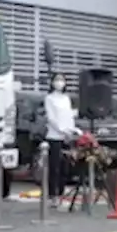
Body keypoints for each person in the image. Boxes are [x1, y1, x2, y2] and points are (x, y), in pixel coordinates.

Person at [44, 73, 77, 209]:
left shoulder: (66, 98)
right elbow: (51, 118)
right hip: (54, 136)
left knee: (65, 167)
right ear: (52, 82)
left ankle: (62, 193)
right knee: (54, 167)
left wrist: (71, 130)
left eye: (62, 80)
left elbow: (69, 116)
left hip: (66, 136)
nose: (60, 82)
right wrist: (61, 129)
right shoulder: (49, 98)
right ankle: (53, 195)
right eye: (57, 80)